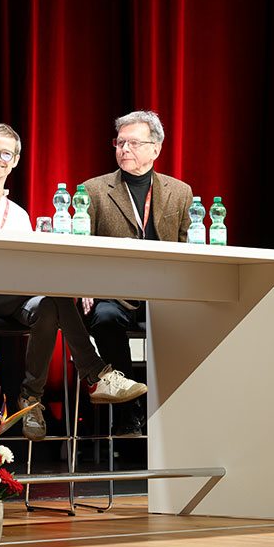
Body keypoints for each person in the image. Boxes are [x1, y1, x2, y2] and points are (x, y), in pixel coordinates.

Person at [0, 124, 145, 440]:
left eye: (5, 153)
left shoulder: (19, 214)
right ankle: (96, 375)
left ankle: (30, 399)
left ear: (15, 160)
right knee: (55, 297)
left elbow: (33, 265)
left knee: (49, 304)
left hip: (16, 295)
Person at [81, 110, 193, 435]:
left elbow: (189, 249)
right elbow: (79, 246)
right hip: (114, 293)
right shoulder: (94, 190)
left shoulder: (180, 192)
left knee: (192, 321)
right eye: (120, 142)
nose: (124, 149)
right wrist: (84, 285)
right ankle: (130, 410)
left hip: (162, 293)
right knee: (103, 318)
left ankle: (179, 412)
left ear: (155, 149)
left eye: (133, 143)